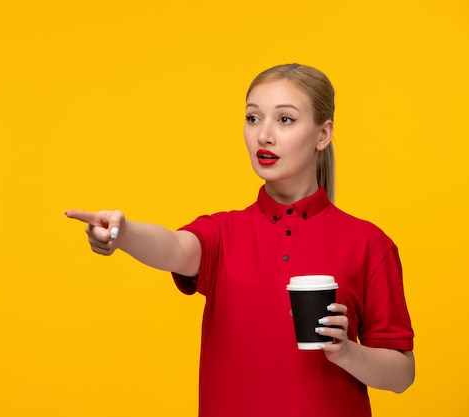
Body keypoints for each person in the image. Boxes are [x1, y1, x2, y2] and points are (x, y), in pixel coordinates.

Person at [65, 63, 415, 417]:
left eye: (285, 120)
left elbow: (402, 374)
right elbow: (173, 247)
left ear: (323, 135)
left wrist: (346, 352)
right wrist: (124, 233)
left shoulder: (368, 243)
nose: (264, 135)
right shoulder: (222, 233)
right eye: (253, 118)